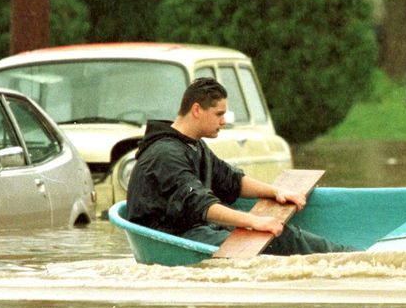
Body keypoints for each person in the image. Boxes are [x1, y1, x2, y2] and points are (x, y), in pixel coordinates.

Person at [125, 77, 353, 255]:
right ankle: (348, 261)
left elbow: (231, 180)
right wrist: (256, 221)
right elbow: (202, 206)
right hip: (175, 236)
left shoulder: (194, 145)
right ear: (196, 110)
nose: (224, 121)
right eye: (219, 114)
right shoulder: (166, 154)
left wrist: (276, 191)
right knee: (269, 237)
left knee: (283, 234)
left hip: (198, 228)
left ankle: (347, 256)